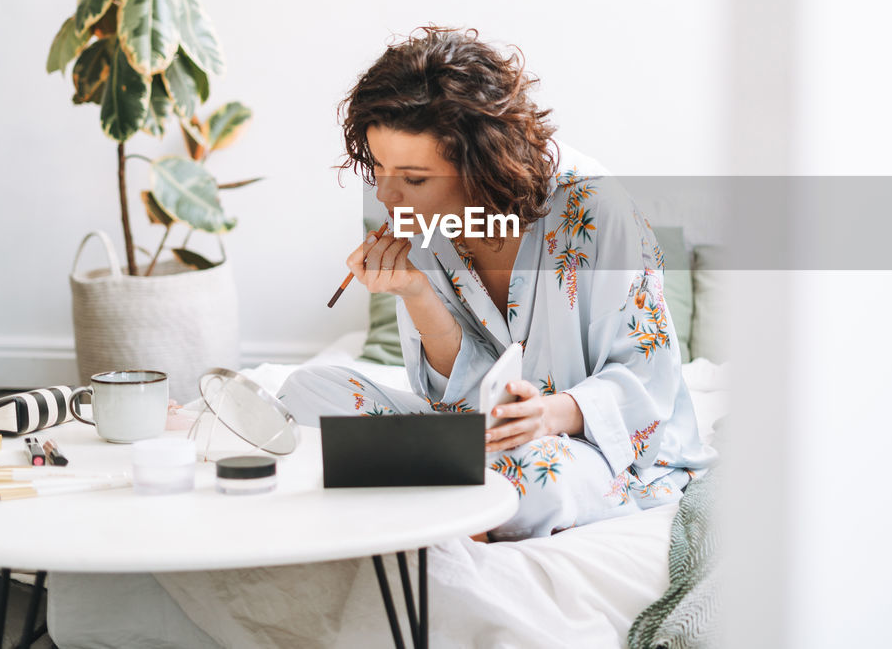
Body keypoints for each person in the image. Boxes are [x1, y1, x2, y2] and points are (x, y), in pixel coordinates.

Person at [280, 27, 716, 540]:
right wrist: (414, 291)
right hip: (479, 436)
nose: (386, 194)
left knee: (531, 474)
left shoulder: (594, 207)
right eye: (378, 168)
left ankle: (429, 495)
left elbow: (647, 382)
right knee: (306, 392)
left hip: (591, 447)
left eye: (414, 178)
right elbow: (458, 393)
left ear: (479, 164)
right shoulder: (423, 222)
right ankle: (444, 490)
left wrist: (545, 416)